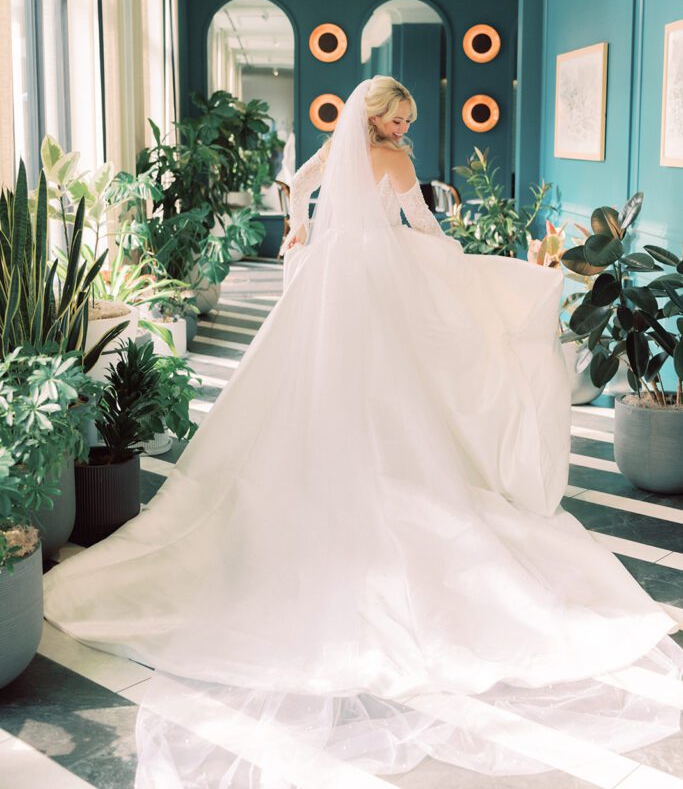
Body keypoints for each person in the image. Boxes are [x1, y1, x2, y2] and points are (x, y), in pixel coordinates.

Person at [44, 76, 683, 787]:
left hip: (330, 278)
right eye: (398, 118)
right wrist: (461, 265)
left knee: (322, 383)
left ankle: (325, 481)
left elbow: (296, 185)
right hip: (381, 280)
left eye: (406, 120)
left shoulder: (336, 148)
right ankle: (384, 477)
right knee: (397, 385)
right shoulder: (397, 162)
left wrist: (300, 228)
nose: (404, 129)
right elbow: (424, 226)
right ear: (378, 117)